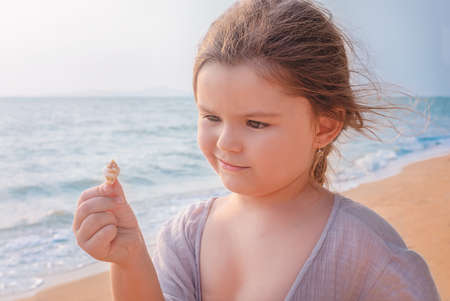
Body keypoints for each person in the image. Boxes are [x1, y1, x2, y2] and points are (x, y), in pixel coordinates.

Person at [72, 0, 441, 300]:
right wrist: (129, 258)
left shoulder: (366, 254)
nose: (225, 142)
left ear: (324, 126)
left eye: (256, 123)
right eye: (211, 117)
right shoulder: (186, 235)